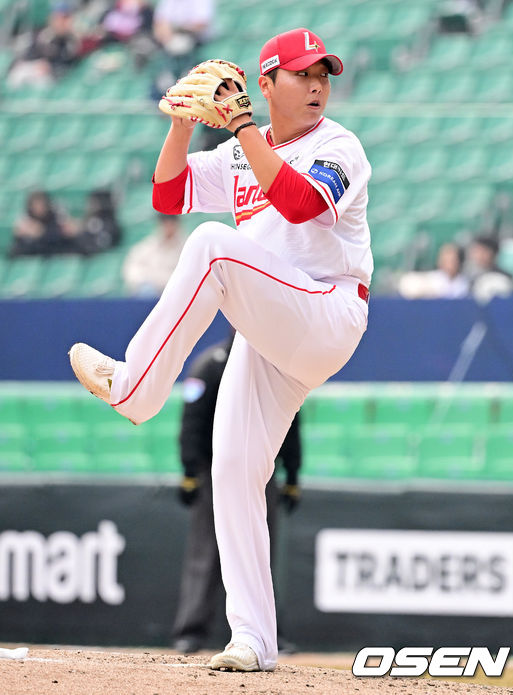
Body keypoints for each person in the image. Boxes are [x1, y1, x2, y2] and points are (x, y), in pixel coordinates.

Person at [69, 27, 372, 672]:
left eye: (323, 74)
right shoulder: (241, 151)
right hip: (272, 332)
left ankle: (133, 388)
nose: (317, 84)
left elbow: (298, 204)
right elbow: (168, 193)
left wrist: (240, 127)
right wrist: (182, 125)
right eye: (301, 73)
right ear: (267, 83)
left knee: (212, 246)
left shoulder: (338, 146)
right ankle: (254, 639)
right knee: (232, 470)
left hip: (328, 312)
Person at [172, 335, 301, 655]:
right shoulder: (210, 365)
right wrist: (190, 471)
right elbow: (192, 420)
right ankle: (191, 631)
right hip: (213, 472)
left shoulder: (274, 364)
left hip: (261, 472)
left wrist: (292, 474)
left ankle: (268, 634)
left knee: (260, 552)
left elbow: (291, 420)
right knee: (205, 553)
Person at [7, 2, 81, 88]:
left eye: (65, 18)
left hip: (52, 77)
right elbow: (25, 57)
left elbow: (67, 62)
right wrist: (37, 64)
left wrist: (50, 67)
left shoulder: (71, 41)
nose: (62, 22)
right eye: (59, 18)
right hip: (30, 69)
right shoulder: (43, 35)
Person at [122, 213, 187, 296]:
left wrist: (159, 280)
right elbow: (132, 271)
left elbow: (184, 277)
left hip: (174, 292)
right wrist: (150, 280)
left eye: (171, 222)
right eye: (164, 222)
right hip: (151, 291)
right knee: (146, 291)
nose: (168, 226)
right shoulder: (147, 247)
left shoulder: (186, 247)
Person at [9, 190, 79, 257]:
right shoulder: (27, 222)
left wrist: (41, 232)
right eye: (35, 205)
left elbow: (59, 238)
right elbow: (14, 251)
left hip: (55, 254)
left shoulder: (56, 218)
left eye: (41, 204)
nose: (38, 208)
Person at [398, 242, 469, 298]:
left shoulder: (464, 283)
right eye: (446, 260)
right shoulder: (432, 280)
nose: (449, 264)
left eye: (452, 260)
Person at [465, 235, 513, 302]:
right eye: (476, 251)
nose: (478, 255)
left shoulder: (505, 277)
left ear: (492, 253)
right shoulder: (469, 277)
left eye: (482, 251)